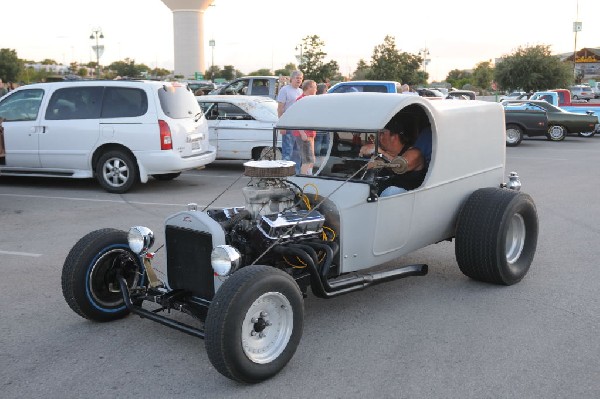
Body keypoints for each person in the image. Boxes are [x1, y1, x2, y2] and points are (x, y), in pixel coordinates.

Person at [359, 117, 426, 196]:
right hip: (377, 198)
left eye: (382, 134)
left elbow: (399, 165)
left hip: (404, 200)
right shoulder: (384, 154)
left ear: (394, 136)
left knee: (392, 191)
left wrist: (376, 150)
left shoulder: (415, 153)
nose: (379, 137)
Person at [276, 70, 303, 172]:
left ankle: (296, 173)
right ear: (292, 79)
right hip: (288, 125)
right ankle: (284, 173)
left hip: (298, 126)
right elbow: (280, 108)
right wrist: (282, 125)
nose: (299, 80)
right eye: (297, 78)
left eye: (301, 78)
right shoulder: (285, 90)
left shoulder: (300, 91)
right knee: (288, 151)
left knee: (297, 152)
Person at [293, 80, 317, 174]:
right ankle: (304, 181)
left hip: (310, 132)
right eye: (314, 87)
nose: (316, 89)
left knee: (312, 158)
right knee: (307, 159)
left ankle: (309, 176)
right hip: (304, 133)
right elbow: (297, 118)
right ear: (309, 87)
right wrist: (302, 132)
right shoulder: (301, 100)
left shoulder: (311, 99)